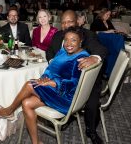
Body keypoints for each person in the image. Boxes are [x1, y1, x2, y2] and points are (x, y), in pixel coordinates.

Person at [0, 26, 89, 144]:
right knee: (26, 103)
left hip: (66, 97)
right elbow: (52, 68)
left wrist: (53, 82)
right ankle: (36, 142)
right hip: (55, 90)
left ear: (81, 41)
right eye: (66, 40)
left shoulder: (82, 58)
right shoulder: (64, 50)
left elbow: (74, 83)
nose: (68, 43)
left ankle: (9, 110)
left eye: (73, 40)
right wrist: (45, 78)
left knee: (30, 84)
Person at [46, 10, 107, 144]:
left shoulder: (88, 35)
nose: (66, 25)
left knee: (91, 103)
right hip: (63, 79)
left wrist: (94, 57)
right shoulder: (57, 36)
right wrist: (53, 62)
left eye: (70, 21)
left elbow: (101, 49)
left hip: (84, 81)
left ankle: (91, 130)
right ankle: (64, 114)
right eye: (63, 22)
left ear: (78, 22)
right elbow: (49, 50)